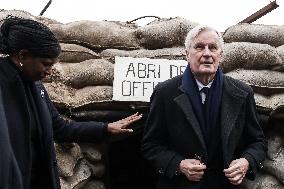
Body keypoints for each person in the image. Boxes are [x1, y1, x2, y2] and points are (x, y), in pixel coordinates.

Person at [0, 16, 142, 189]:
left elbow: (60, 128)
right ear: (23, 55)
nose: (49, 71)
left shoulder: (36, 88)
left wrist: (105, 129)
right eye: (45, 64)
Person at [141, 25, 266, 189]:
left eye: (213, 48)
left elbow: (258, 142)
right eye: (199, 47)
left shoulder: (242, 93)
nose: (207, 53)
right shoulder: (165, 93)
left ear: (220, 55)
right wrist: (179, 164)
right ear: (187, 54)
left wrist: (246, 161)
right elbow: (150, 145)